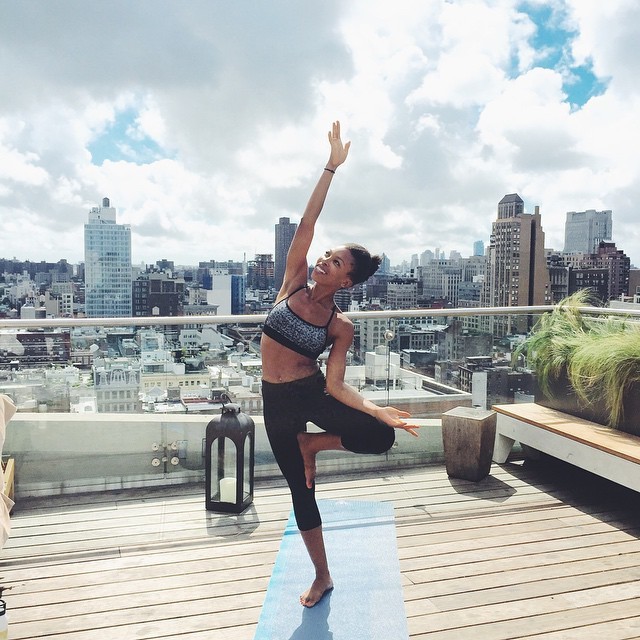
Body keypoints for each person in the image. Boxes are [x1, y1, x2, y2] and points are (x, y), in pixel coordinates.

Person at [261, 121, 419, 608]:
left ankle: (313, 443)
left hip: (311, 393)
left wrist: (376, 410)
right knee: (301, 491)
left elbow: (336, 386)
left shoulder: (339, 325)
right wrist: (331, 166)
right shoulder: (292, 282)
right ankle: (323, 575)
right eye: (327, 255)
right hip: (276, 401)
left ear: (346, 282)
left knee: (382, 436)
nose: (324, 260)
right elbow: (306, 224)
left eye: (334, 262)